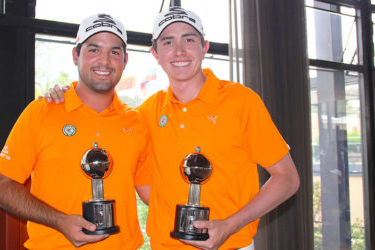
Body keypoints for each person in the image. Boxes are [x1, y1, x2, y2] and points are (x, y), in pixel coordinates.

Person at [45, 7, 300, 250]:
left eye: (188, 40)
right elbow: (106, 131)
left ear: (204, 47)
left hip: (230, 244)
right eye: (167, 42)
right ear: (155, 54)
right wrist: (66, 95)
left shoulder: (241, 101)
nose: (179, 51)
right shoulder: (146, 113)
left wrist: (230, 225)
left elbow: (287, 179)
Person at [0, 13, 152, 249]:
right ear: (76, 56)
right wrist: (60, 221)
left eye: (114, 52)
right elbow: (0, 187)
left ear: (125, 61)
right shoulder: (42, 112)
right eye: (93, 50)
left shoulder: (137, 122)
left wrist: (221, 217)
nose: (104, 61)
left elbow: (152, 193)